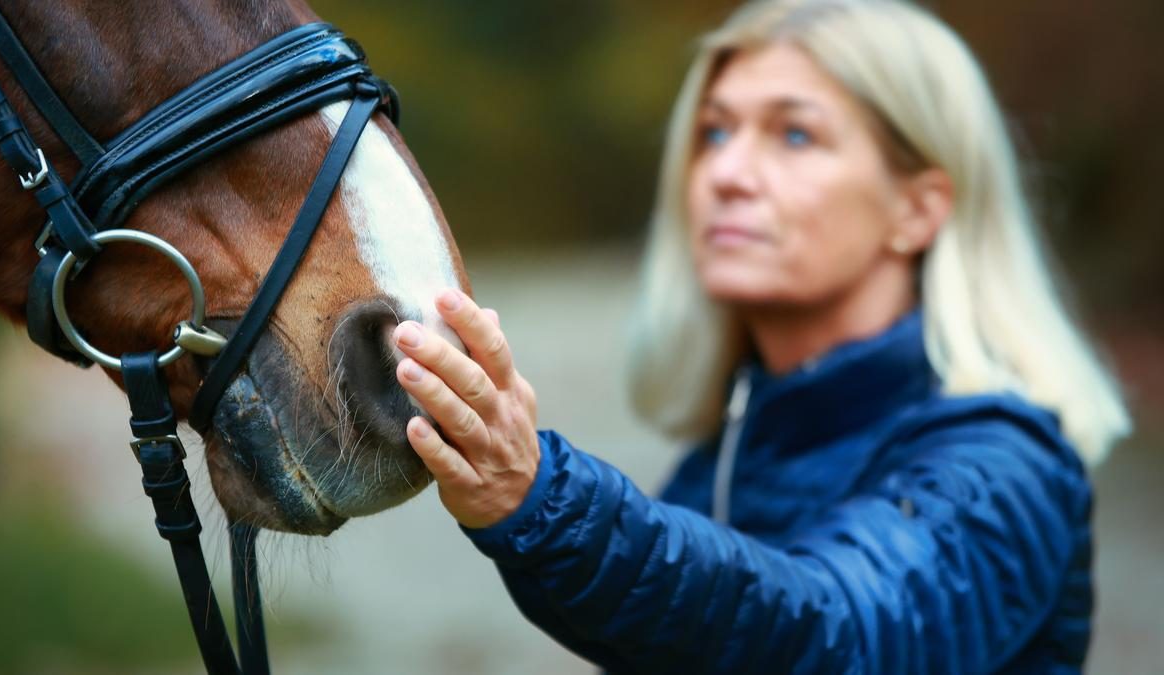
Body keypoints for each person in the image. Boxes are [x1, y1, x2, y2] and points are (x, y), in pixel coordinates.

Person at [389, 0, 1131, 672]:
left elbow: (839, 636)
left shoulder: (1000, 461)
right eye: (714, 131)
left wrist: (545, 497)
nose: (727, 172)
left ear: (917, 208)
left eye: (795, 133)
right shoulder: (733, 445)